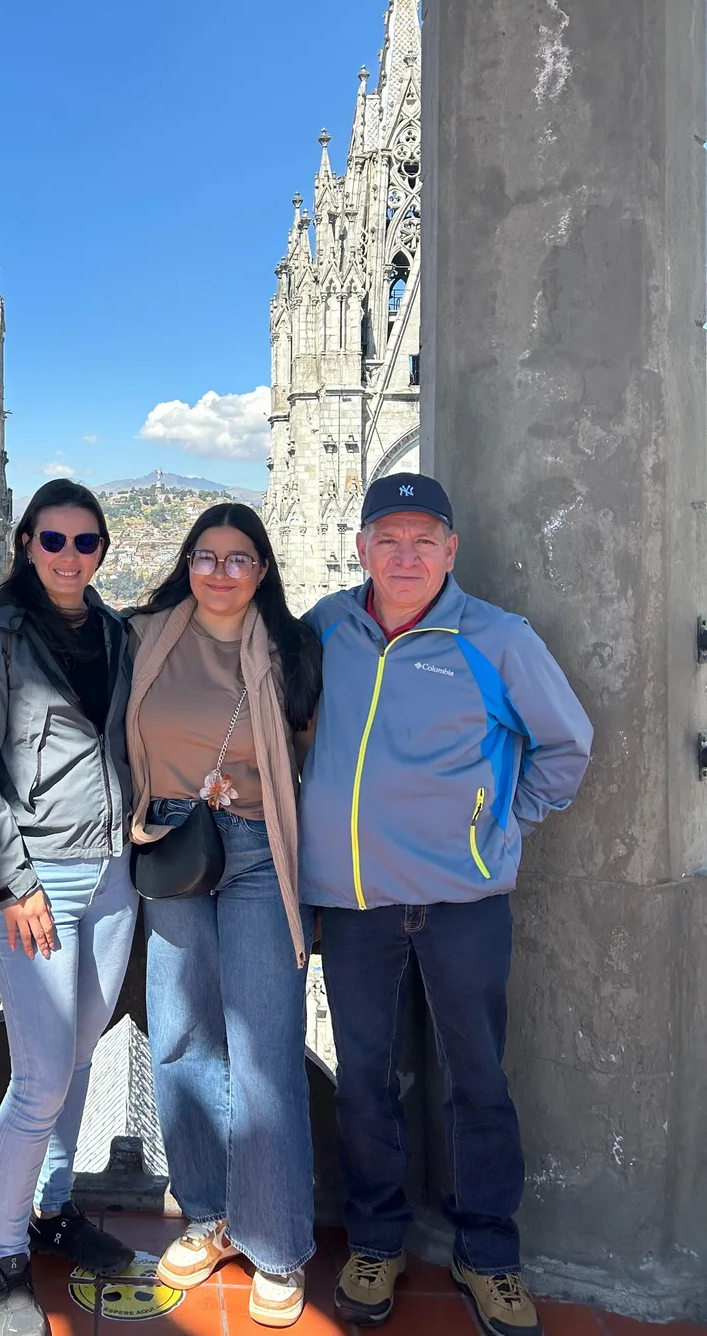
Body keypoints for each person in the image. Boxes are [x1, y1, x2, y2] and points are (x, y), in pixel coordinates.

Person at [299, 473, 593, 1336]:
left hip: (463, 902)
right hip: (354, 906)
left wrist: (499, 831)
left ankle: (488, 1254)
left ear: (451, 551)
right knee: (365, 1082)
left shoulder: (496, 639)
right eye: (387, 538)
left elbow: (566, 747)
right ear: (360, 549)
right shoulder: (327, 629)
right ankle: (378, 1240)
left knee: (478, 1084)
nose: (405, 555)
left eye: (424, 539)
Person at [0, 479, 138, 1336]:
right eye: (53, 541)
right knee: (40, 1077)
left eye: (85, 542)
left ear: (102, 550)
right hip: (39, 881)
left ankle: (55, 1211)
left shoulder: (115, 631)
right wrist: (14, 882)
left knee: (85, 1054)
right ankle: (4, 1254)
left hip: (114, 873)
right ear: (27, 544)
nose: (69, 556)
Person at [127, 503, 323, 1329]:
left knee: (265, 1048)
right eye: (206, 556)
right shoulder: (141, 635)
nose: (221, 572)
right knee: (176, 1035)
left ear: (264, 569)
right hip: (170, 845)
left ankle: (275, 1242)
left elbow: (318, 747)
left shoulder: (292, 650)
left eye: (239, 559)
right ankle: (206, 1213)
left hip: (257, 852)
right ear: (188, 561)